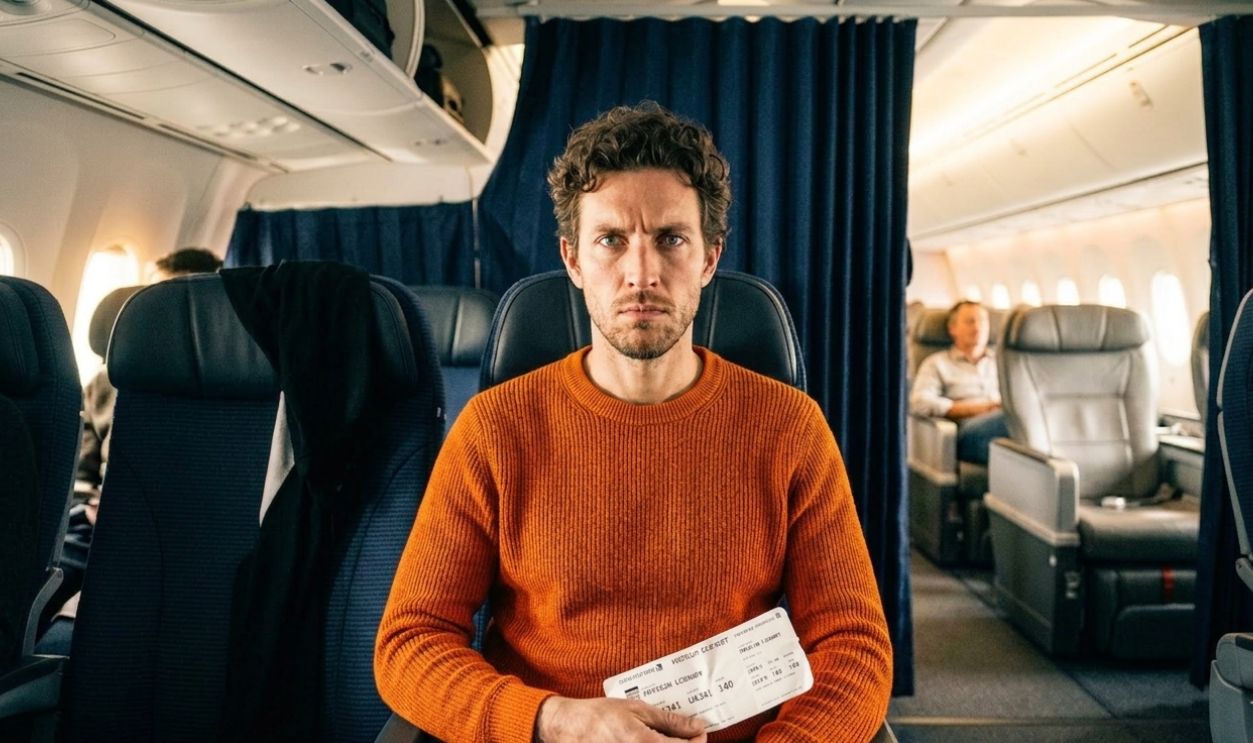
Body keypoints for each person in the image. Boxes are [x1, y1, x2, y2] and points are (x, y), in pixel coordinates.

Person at [375, 103, 892, 742]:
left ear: (708, 259)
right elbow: (410, 643)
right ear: (572, 260)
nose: (641, 273)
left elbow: (853, 645)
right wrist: (553, 720)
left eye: (671, 239)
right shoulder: (495, 429)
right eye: (611, 240)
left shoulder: (789, 426)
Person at [77, 247, 224, 500]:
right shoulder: (107, 380)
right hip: (102, 509)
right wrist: (89, 501)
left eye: (174, 301)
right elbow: (80, 471)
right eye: (152, 299)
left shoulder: (235, 384)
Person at [908, 300, 1009, 465]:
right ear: (953, 329)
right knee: (1011, 417)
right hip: (966, 431)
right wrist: (976, 409)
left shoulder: (1003, 363)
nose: (978, 327)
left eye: (983, 321)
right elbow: (919, 402)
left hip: (1002, 427)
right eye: (970, 321)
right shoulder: (937, 363)